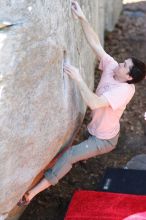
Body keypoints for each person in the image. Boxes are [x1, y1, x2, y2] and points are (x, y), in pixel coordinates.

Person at [17, 0, 146, 206]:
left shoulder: (124, 91)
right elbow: (95, 44)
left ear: (128, 77)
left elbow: (94, 103)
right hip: (95, 129)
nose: (119, 63)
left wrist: (77, 78)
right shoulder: (113, 69)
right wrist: (82, 18)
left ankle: (31, 194)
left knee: (70, 156)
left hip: (104, 140)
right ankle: (81, 157)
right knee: (78, 150)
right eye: (123, 61)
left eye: (124, 65)